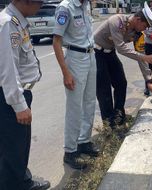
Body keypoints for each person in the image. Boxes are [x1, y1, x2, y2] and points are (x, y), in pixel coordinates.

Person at [0, 0, 51, 189]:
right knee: (12, 150)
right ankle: (14, 184)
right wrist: (19, 105)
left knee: (19, 147)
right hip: (10, 99)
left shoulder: (17, 21)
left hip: (19, 95)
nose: (41, 6)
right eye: (39, 2)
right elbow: (8, 70)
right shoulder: (8, 24)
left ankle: (22, 181)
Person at [94, 2, 152, 127]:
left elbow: (140, 54)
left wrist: (149, 80)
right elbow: (121, 48)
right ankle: (109, 124)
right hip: (97, 53)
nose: (145, 29)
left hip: (110, 53)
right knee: (104, 89)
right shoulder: (117, 21)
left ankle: (119, 115)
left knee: (121, 83)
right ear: (137, 19)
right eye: (145, 26)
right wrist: (146, 57)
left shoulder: (136, 33)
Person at [53, 0, 99, 169]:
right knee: (74, 107)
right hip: (75, 58)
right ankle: (70, 151)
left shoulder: (86, 5)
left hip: (90, 55)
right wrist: (66, 73)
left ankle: (84, 141)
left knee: (89, 102)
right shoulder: (65, 8)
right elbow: (56, 41)